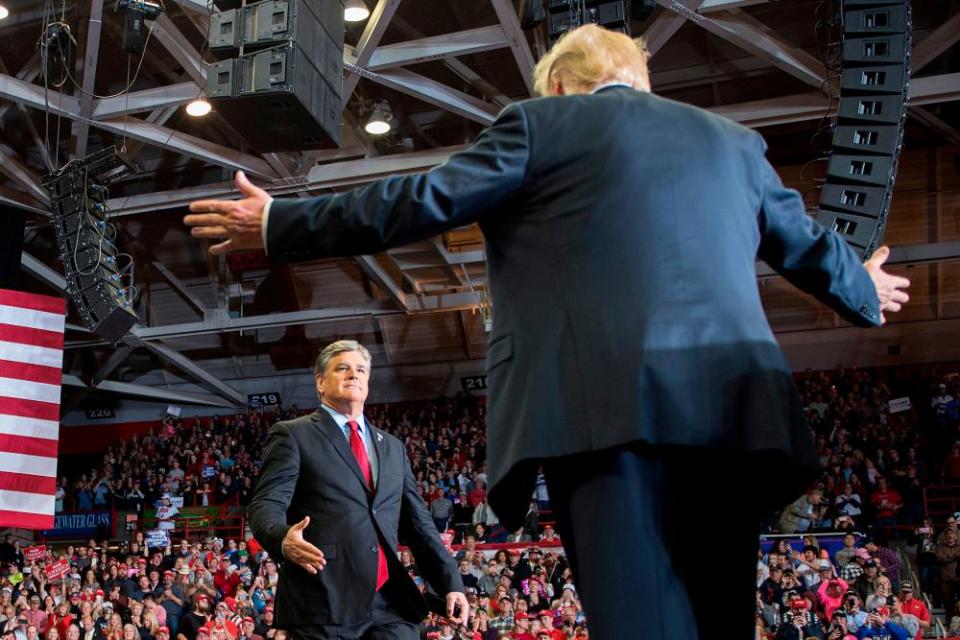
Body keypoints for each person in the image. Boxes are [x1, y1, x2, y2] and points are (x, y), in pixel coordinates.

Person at [184, 24, 910, 640]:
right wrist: (864, 289)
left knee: (638, 619)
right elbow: (811, 249)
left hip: (602, 412)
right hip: (733, 418)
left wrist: (279, 223)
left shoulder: (541, 125)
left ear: (558, 85)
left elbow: (420, 200)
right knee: (716, 617)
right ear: (641, 80)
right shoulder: (734, 144)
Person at [247, 340, 467, 639]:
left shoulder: (392, 447)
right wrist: (282, 538)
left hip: (390, 603)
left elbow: (419, 524)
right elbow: (265, 505)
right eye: (343, 368)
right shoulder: (293, 434)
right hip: (324, 600)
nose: (354, 374)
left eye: (361, 369)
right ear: (320, 382)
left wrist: (450, 583)